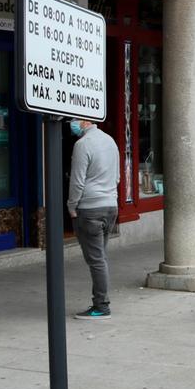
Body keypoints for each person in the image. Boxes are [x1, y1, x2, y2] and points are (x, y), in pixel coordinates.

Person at [67, 119, 120, 320]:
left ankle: (101, 306)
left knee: (97, 260)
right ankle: (101, 302)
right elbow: (116, 177)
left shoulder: (82, 145)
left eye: (74, 120)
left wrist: (72, 206)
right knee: (101, 257)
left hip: (89, 209)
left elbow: (77, 180)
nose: (71, 124)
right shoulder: (110, 141)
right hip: (110, 206)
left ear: (85, 121)